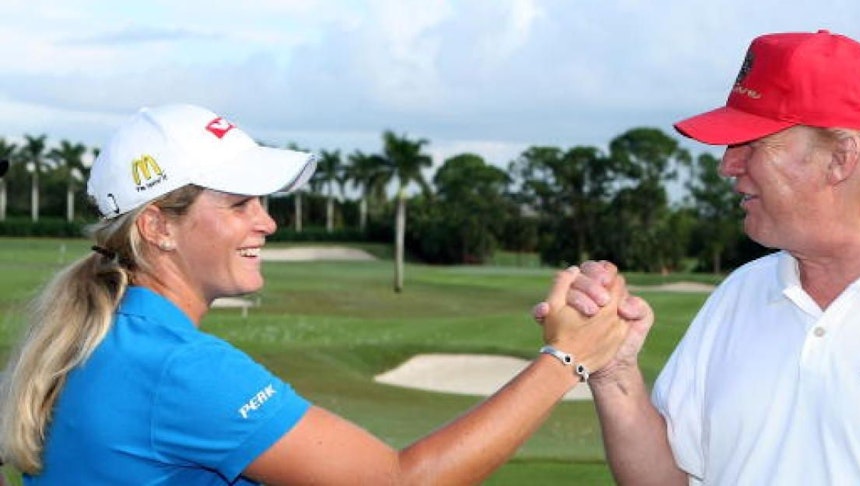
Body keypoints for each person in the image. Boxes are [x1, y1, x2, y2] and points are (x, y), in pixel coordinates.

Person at [0, 103, 633, 484]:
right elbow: (401, 480)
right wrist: (566, 360)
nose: (267, 222)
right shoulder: (176, 367)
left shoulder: (106, 335)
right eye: (239, 202)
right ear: (158, 226)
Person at [539, 30, 860, 484]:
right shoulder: (740, 293)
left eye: (753, 144)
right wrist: (615, 374)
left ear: (841, 158)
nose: (726, 165)